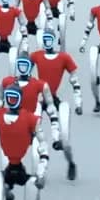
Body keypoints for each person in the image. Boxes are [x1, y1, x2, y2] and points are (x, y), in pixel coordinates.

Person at [0, 86, 49, 200]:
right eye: (9, 97)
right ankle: (8, 194)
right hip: (9, 165)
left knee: (32, 191)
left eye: (14, 98)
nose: (12, 100)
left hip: (18, 169)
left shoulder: (30, 118)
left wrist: (41, 173)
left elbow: (43, 146)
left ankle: (8, 192)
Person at [30, 30, 83, 180]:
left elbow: (75, 80)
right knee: (33, 131)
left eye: (50, 39)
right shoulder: (37, 55)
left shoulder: (64, 57)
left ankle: (70, 162)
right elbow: (23, 69)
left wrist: (78, 102)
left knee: (64, 138)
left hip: (54, 99)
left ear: (54, 40)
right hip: (39, 98)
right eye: (45, 39)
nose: (47, 42)